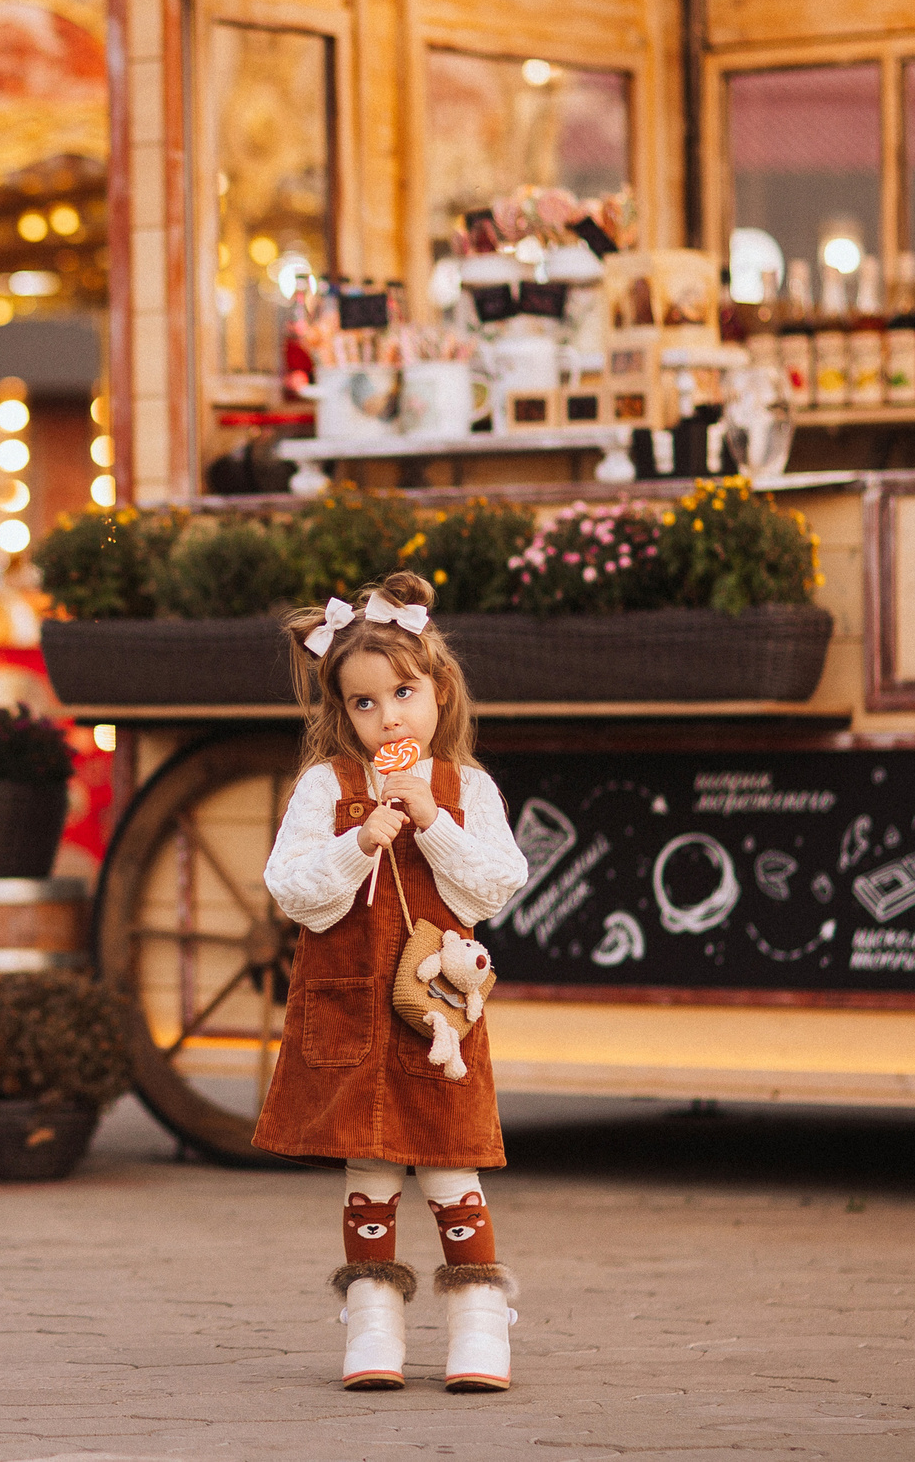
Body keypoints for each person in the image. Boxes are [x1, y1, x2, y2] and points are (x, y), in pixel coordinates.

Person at [256, 572, 529, 1393]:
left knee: (449, 1164)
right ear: (344, 712)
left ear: (438, 689)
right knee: (370, 1170)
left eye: (403, 693)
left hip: (434, 1019)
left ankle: (480, 1319)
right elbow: (293, 891)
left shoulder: (465, 787)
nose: (389, 717)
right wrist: (359, 842)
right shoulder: (327, 785)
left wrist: (432, 822)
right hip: (348, 1012)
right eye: (365, 702)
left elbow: (494, 887)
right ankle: (372, 1318)